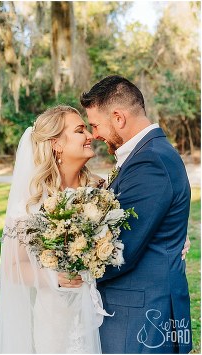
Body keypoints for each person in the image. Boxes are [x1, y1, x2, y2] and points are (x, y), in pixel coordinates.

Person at [81, 75, 192, 354]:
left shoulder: (151, 160)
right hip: (139, 309)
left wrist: (68, 272)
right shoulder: (145, 155)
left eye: (95, 125)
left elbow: (122, 249)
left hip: (140, 316)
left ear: (118, 117)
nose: (94, 135)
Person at [0, 105, 103, 353]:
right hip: (56, 319)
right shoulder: (31, 205)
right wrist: (54, 277)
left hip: (104, 314)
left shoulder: (102, 191)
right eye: (79, 130)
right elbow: (12, 267)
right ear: (57, 144)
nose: (90, 136)